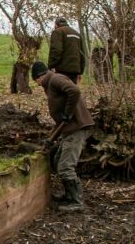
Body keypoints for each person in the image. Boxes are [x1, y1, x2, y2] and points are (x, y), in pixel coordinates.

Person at [31, 61, 94, 212]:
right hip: (70, 128)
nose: (38, 85)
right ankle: (69, 196)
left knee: (65, 166)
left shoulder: (55, 79)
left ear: (39, 77)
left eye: (36, 81)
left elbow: (74, 91)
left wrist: (69, 112)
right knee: (58, 160)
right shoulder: (52, 83)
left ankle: (77, 201)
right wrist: (50, 139)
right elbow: (61, 121)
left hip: (77, 128)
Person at [47, 17, 86, 83]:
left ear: (56, 25)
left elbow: (57, 50)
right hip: (75, 70)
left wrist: (51, 65)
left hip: (61, 70)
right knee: (70, 91)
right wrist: (80, 71)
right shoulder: (77, 34)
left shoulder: (58, 32)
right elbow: (82, 54)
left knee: (61, 91)